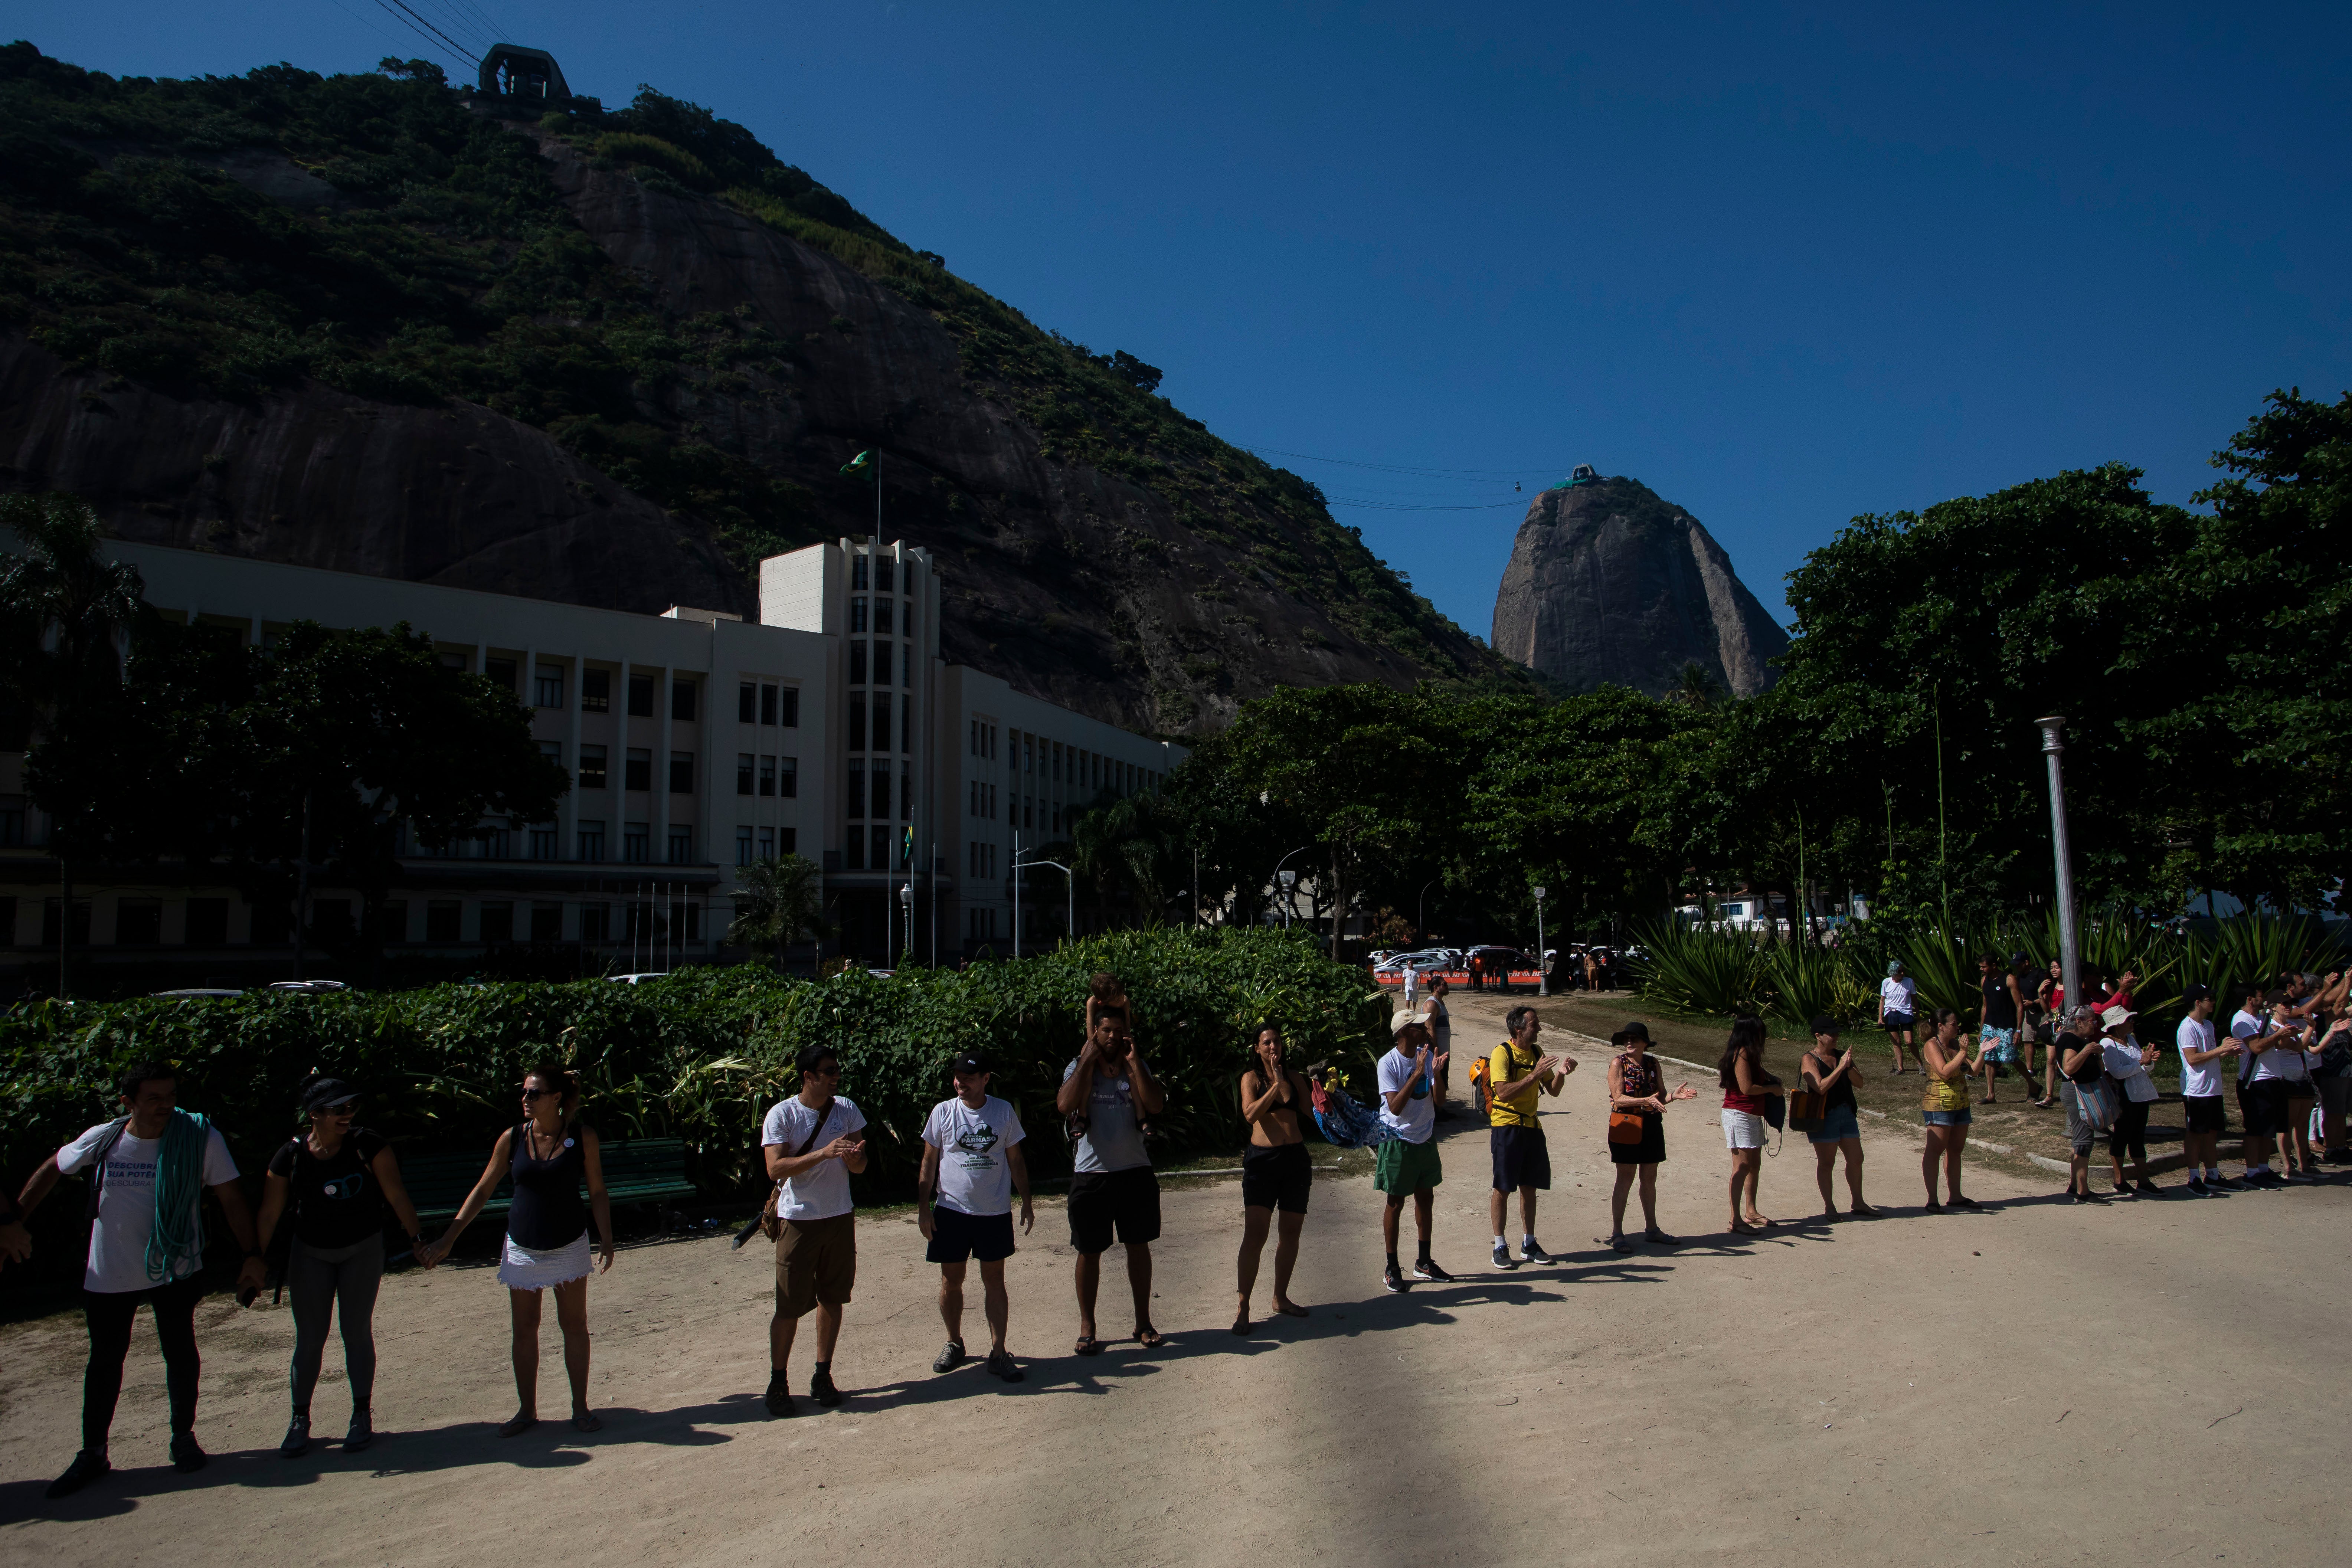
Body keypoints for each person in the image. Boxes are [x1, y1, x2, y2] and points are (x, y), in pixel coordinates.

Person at [15, 1059, 264, 1498]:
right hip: (109, 1272)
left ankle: (183, 1438)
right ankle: (93, 1451)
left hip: (175, 1267)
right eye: (153, 1098)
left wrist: (252, 1255)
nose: (165, 1106)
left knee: (180, 1351)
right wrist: (13, 1222)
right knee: (106, 1361)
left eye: (171, 1096)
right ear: (128, 1102)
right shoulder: (105, 1139)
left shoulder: (200, 1136)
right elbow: (55, 1166)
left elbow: (230, 1197)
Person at [418, 1063, 615, 1434]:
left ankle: (580, 1407)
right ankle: (527, 1410)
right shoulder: (512, 1137)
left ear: (556, 1097)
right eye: (524, 1092)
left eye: (534, 1093)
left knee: (574, 1324)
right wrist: (449, 1238)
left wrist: (606, 1238)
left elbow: (598, 1189)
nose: (526, 1099)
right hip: (522, 1246)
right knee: (524, 1327)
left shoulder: (582, 1136)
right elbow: (483, 1188)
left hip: (569, 1243)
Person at [254, 1076, 426, 1457]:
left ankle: (361, 1415)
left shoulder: (368, 1145)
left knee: (356, 1332)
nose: (348, 1115)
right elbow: (270, 1213)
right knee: (310, 1338)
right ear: (314, 1114)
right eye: (339, 1109)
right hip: (310, 1252)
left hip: (361, 1249)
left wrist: (417, 1240)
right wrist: (254, 1259)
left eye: (352, 1108)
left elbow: (396, 1194)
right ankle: (300, 1419)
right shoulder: (292, 1155)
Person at [751, 1044, 868, 1413]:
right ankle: (778, 1381)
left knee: (832, 1298)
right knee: (788, 1306)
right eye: (828, 1070)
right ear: (809, 1076)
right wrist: (824, 1152)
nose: (836, 1076)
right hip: (797, 1221)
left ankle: (823, 1374)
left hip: (838, 1217)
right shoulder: (782, 1114)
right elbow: (775, 1169)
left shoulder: (847, 1109)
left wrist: (853, 1159)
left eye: (837, 1069)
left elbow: (861, 1167)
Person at [1057, 1003, 1167, 1353]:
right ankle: (1087, 1326)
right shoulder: (1079, 1067)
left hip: (1134, 1172)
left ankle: (1143, 1321)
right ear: (1095, 1032)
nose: (1112, 1036)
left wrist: (1135, 1064)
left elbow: (1156, 1105)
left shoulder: (1135, 1064)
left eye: (1118, 1031)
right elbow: (1064, 1104)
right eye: (1105, 1030)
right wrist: (1086, 1061)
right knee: (1089, 1252)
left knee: (1139, 1247)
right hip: (1092, 1175)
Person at [917, 1052, 1030, 1381]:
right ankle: (954, 1343)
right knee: (951, 1281)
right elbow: (928, 1162)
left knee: (994, 1281)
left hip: (993, 1213)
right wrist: (924, 1207)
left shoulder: (1002, 1110)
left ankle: (999, 1352)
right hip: (951, 1211)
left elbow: (1016, 1158)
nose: (960, 1082)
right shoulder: (943, 1112)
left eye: (968, 1077)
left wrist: (1026, 1200)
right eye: (956, 1076)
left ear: (985, 1079)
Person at [1234, 1024, 1313, 1332]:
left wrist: (1326, 1090)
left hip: (1295, 1161)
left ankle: (1280, 1297)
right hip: (1262, 1163)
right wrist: (1274, 1084)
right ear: (1257, 1048)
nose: (1273, 1047)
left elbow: (1311, 1111)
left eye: (1277, 1042)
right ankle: (1243, 1306)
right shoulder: (1251, 1079)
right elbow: (1251, 1114)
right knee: (1255, 1236)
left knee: (1290, 1234)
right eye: (1266, 1043)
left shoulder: (1294, 1078)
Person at [1485, 1004, 1571, 1269]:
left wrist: (1561, 1074)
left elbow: (1552, 1091)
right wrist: (1534, 1074)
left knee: (1529, 1187)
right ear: (1518, 1029)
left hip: (1532, 1127)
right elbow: (1503, 1093)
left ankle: (1529, 1244)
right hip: (1506, 1126)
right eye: (1534, 1025)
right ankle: (1500, 1245)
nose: (1540, 1028)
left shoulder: (1536, 1052)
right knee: (1503, 1187)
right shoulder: (1501, 1053)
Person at [1604, 1021, 1696, 1249]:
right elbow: (1618, 1098)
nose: (1629, 1042)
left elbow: (1661, 1096)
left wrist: (1674, 1097)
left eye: (1634, 1039)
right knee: (1625, 1178)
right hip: (1627, 1125)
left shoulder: (1654, 1063)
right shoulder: (1618, 1063)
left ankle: (1652, 1228)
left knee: (1649, 1179)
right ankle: (1617, 1233)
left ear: (1645, 1043)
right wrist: (1645, 1101)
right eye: (1627, 1039)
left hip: (1652, 1125)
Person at [1375, 1012, 1450, 1292]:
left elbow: (1440, 1100)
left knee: (1425, 1198)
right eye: (1419, 1026)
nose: (1425, 1029)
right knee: (1395, 1202)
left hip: (1426, 1138)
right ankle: (1392, 1267)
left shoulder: (1425, 1056)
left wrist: (1436, 1072)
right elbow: (1394, 1107)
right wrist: (1418, 1072)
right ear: (1404, 1032)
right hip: (1398, 1139)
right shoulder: (1388, 1063)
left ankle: (1424, 1262)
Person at [1800, 1016, 1875, 1219]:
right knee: (1827, 1163)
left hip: (1846, 1113)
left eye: (1837, 1033)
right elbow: (1820, 1087)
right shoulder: (1809, 1059)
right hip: (1824, 1116)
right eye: (1831, 1034)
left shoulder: (1842, 1057)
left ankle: (1858, 1202)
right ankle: (1830, 1207)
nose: (1836, 1037)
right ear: (1818, 1036)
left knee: (1857, 1158)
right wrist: (1841, 1068)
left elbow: (1860, 1084)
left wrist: (1848, 1066)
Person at [2174, 984, 2243, 1195]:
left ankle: (2212, 1174)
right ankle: (2194, 1177)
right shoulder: (2187, 1027)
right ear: (2198, 1002)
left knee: (2212, 1133)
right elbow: (2193, 1059)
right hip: (2197, 1090)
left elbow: (2210, 1056)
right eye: (2209, 998)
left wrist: (2226, 1052)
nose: (2213, 1001)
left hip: (2213, 1088)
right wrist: (2221, 1049)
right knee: (2195, 1133)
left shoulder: (2208, 1025)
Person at [1718, 1016, 1781, 1231]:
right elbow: (1747, 1088)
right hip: (1739, 1114)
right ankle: (1735, 1219)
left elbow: (1758, 1077)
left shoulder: (1750, 1054)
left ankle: (1751, 1211)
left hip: (1752, 1114)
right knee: (1742, 1166)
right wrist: (1772, 1089)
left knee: (1754, 1164)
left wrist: (1773, 1080)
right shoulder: (1742, 1053)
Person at [1917, 1009, 1982, 1211]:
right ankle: (1932, 1199)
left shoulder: (1955, 1045)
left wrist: (1983, 1051)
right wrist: (1963, 1053)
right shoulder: (1931, 1046)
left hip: (1961, 1104)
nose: (1958, 1027)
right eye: (1954, 1024)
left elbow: (1974, 1071)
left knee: (1956, 1150)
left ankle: (1956, 1196)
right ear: (1941, 1027)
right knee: (1935, 1150)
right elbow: (1944, 1072)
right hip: (1939, 1105)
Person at [2231, 984, 2293, 1189]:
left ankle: (2264, 1169)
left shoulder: (2261, 1018)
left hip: (2273, 1078)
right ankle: (2252, 1172)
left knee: (2269, 1129)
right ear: (2250, 999)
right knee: (2255, 1129)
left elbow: (2276, 1044)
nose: (2264, 1000)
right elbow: (2256, 1047)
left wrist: (2283, 1035)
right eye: (2260, 996)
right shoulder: (2242, 1021)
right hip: (2255, 1081)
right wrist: (2277, 1035)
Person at [2099, 1006, 2163, 1197]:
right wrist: (2141, 1063)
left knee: (2138, 1137)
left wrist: (2149, 1061)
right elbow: (2117, 1072)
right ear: (2118, 1025)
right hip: (2123, 1097)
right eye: (2129, 1020)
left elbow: (2143, 1068)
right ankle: (2119, 1181)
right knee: (2122, 1136)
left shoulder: (2131, 1040)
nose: (2132, 1023)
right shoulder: (2108, 1044)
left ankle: (2143, 1181)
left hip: (2140, 1095)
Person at [2056, 1006, 2114, 1203]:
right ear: (2079, 1022)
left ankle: (2074, 1186)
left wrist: (2095, 1054)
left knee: (2080, 1139)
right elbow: (2069, 1067)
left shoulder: (2080, 1040)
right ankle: (2083, 1191)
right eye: (2092, 1021)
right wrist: (2088, 1049)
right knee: (2084, 1141)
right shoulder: (2070, 1039)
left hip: (2084, 1090)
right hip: (2078, 1092)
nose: (2095, 1025)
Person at [1975, 953, 2027, 1103]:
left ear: (1993, 966)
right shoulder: (1984, 981)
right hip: (1989, 1025)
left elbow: (2019, 1005)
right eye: (1981, 967)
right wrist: (1981, 1029)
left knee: (2010, 1058)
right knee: (1989, 1058)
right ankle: (1991, 1094)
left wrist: (2018, 1029)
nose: (1982, 970)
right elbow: (1985, 1006)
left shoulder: (2009, 979)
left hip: (2006, 1026)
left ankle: (2033, 1085)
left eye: (1984, 967)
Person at [2031, 959, 2064, 1106]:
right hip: (2053, 1022)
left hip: (2067, 1023)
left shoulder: (2072, 985)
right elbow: (2046, 1010)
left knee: (2066, 1058)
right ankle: (2049, 1095)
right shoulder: (2051, 986)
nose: (2054, 970)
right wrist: (2040, 993)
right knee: (2051, 1059)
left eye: (2057, 967)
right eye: (2052, 968)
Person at [1878, 962, 1919, 1074]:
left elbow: (1914, 998)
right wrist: (1880, 1017)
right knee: (1896, 1042)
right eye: (1899, 971)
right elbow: (1882, 1000)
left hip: (1906, 1012)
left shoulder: (1909, 982)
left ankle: (1920, 1063)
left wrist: (1918, 1013)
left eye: (1903, 970)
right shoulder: (1886, 982)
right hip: (1891, 1013)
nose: (1902, 973)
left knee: (1909, 1041)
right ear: (1893, 973)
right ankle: (1901, 1068)